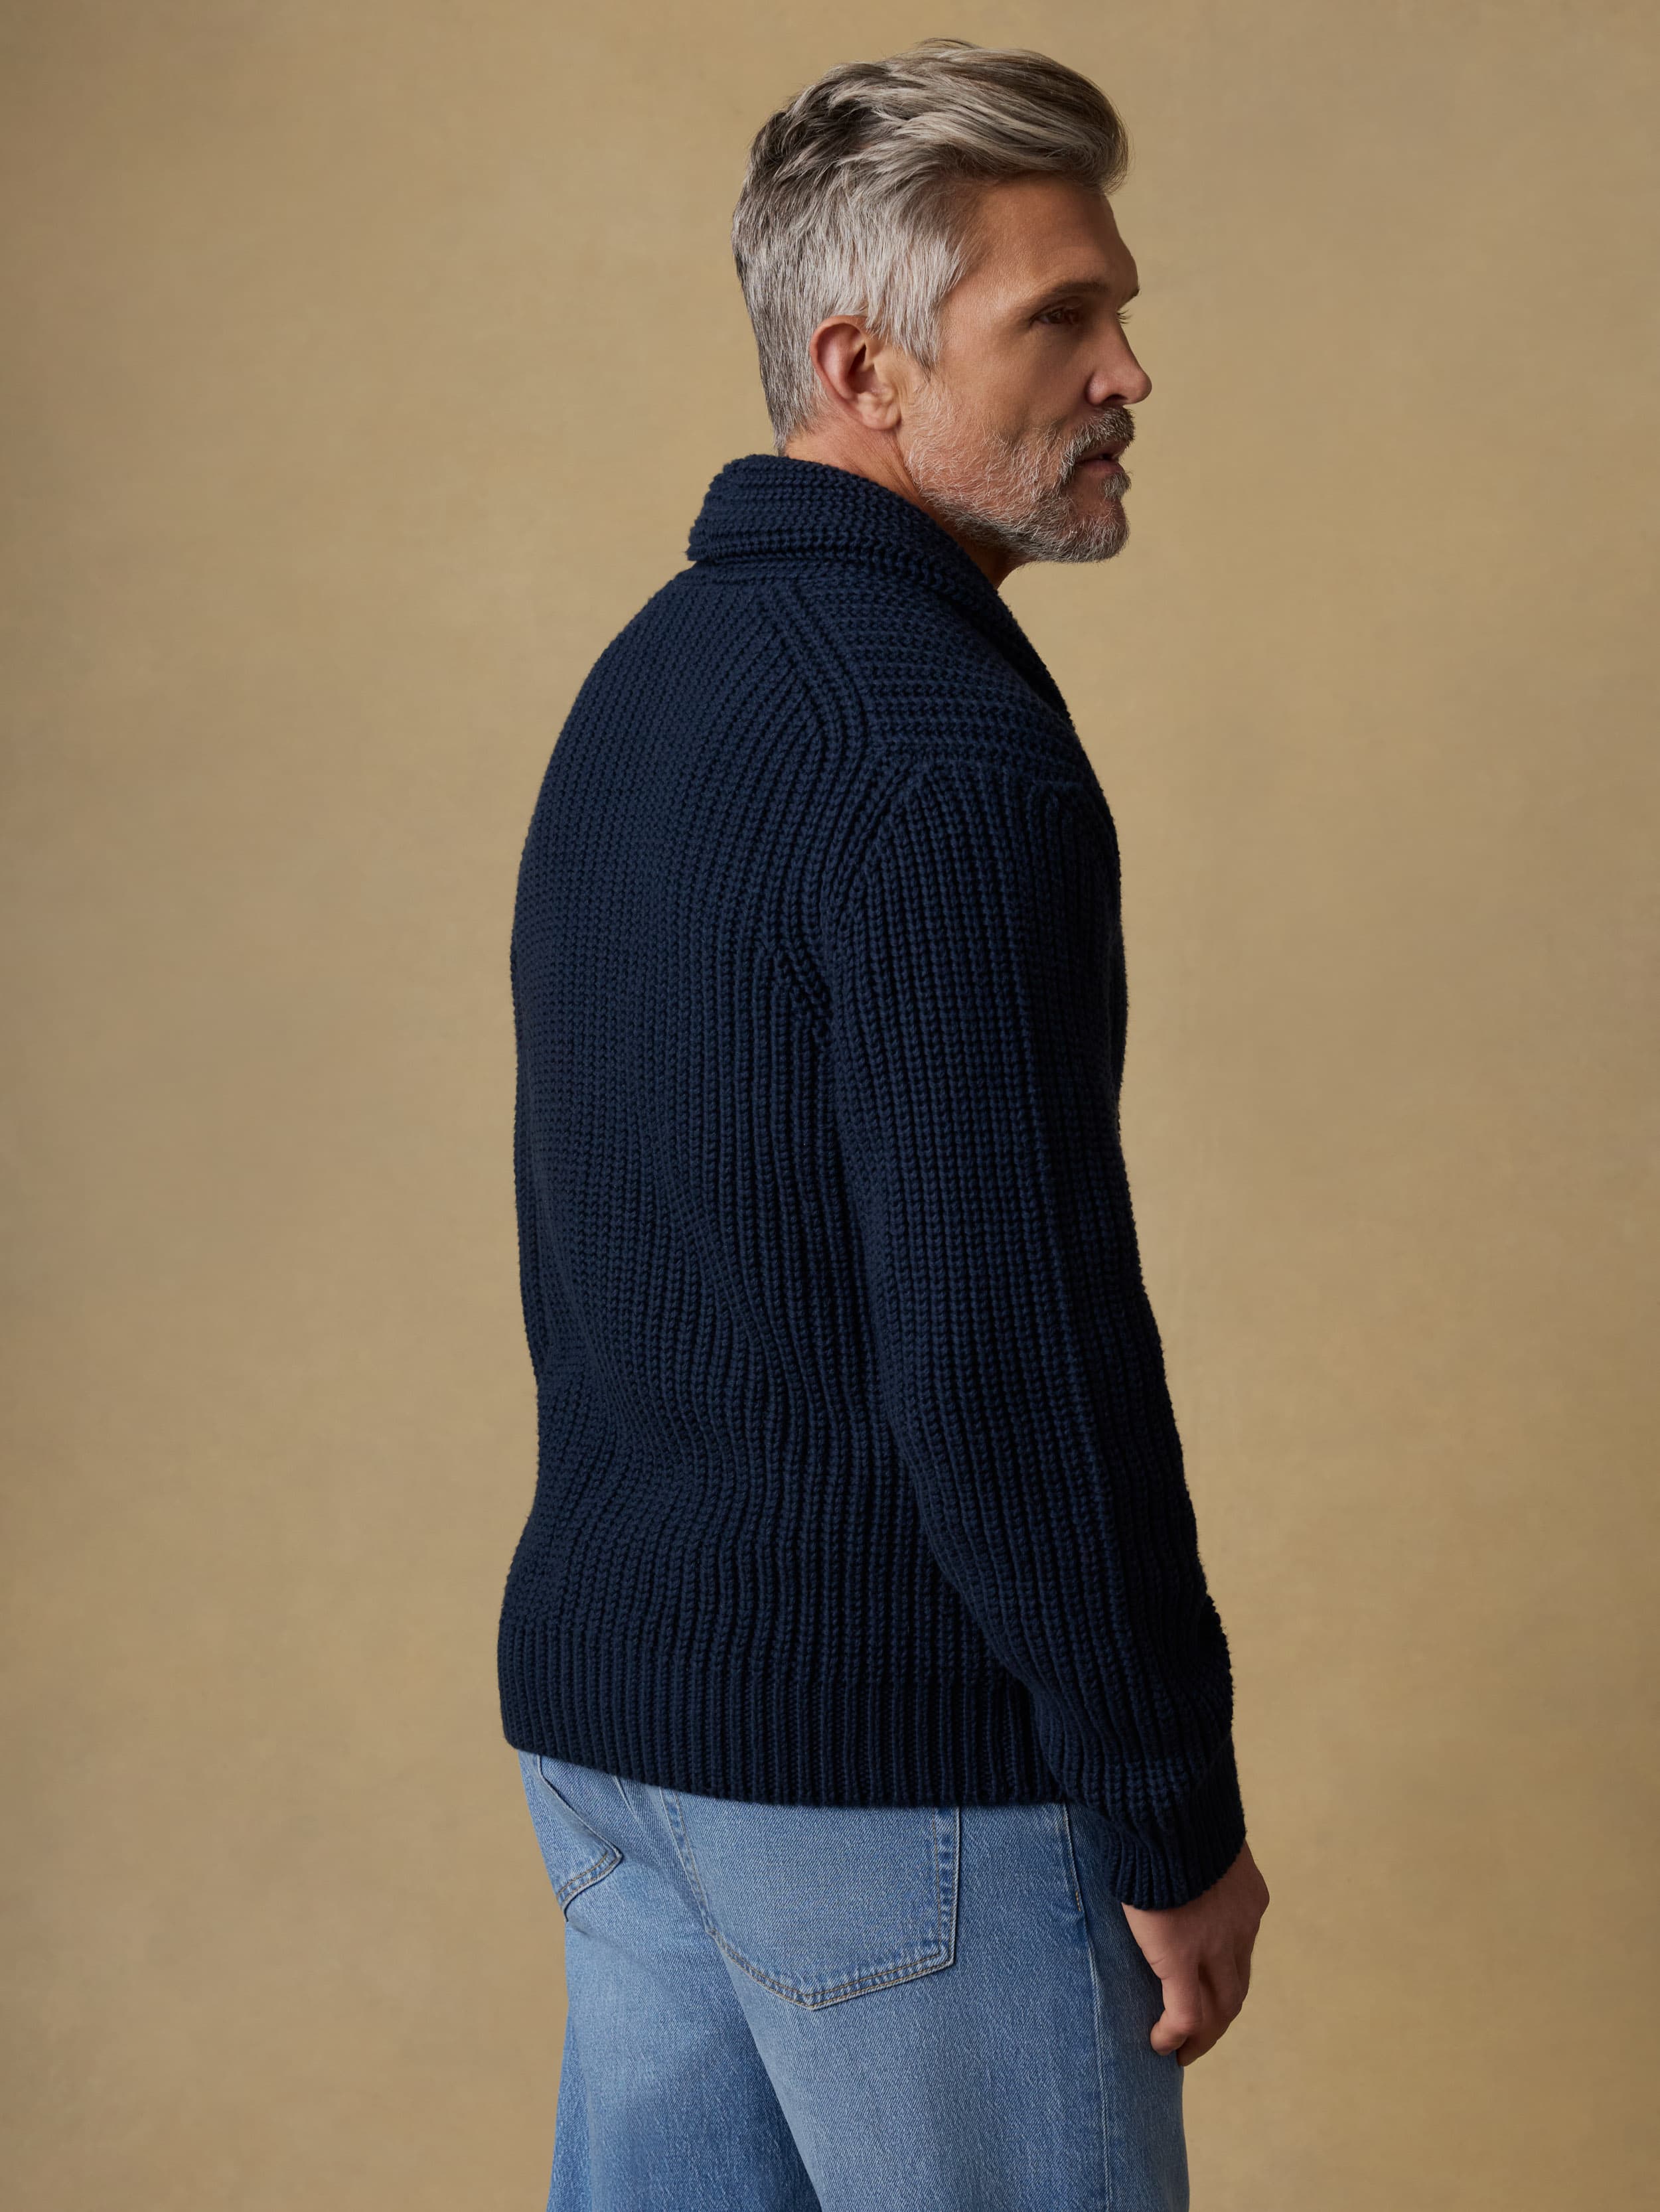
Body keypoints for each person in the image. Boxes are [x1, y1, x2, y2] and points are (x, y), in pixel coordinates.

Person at [501, 37, 1269, 2211]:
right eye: (1063, 318)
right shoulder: (942, 763)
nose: (1131, 371)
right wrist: (1168, 1809)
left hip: (625, 1733)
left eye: (1120, 309)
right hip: (895, 1777)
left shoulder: (658, 678)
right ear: (866, 365)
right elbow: (1011, 1350)